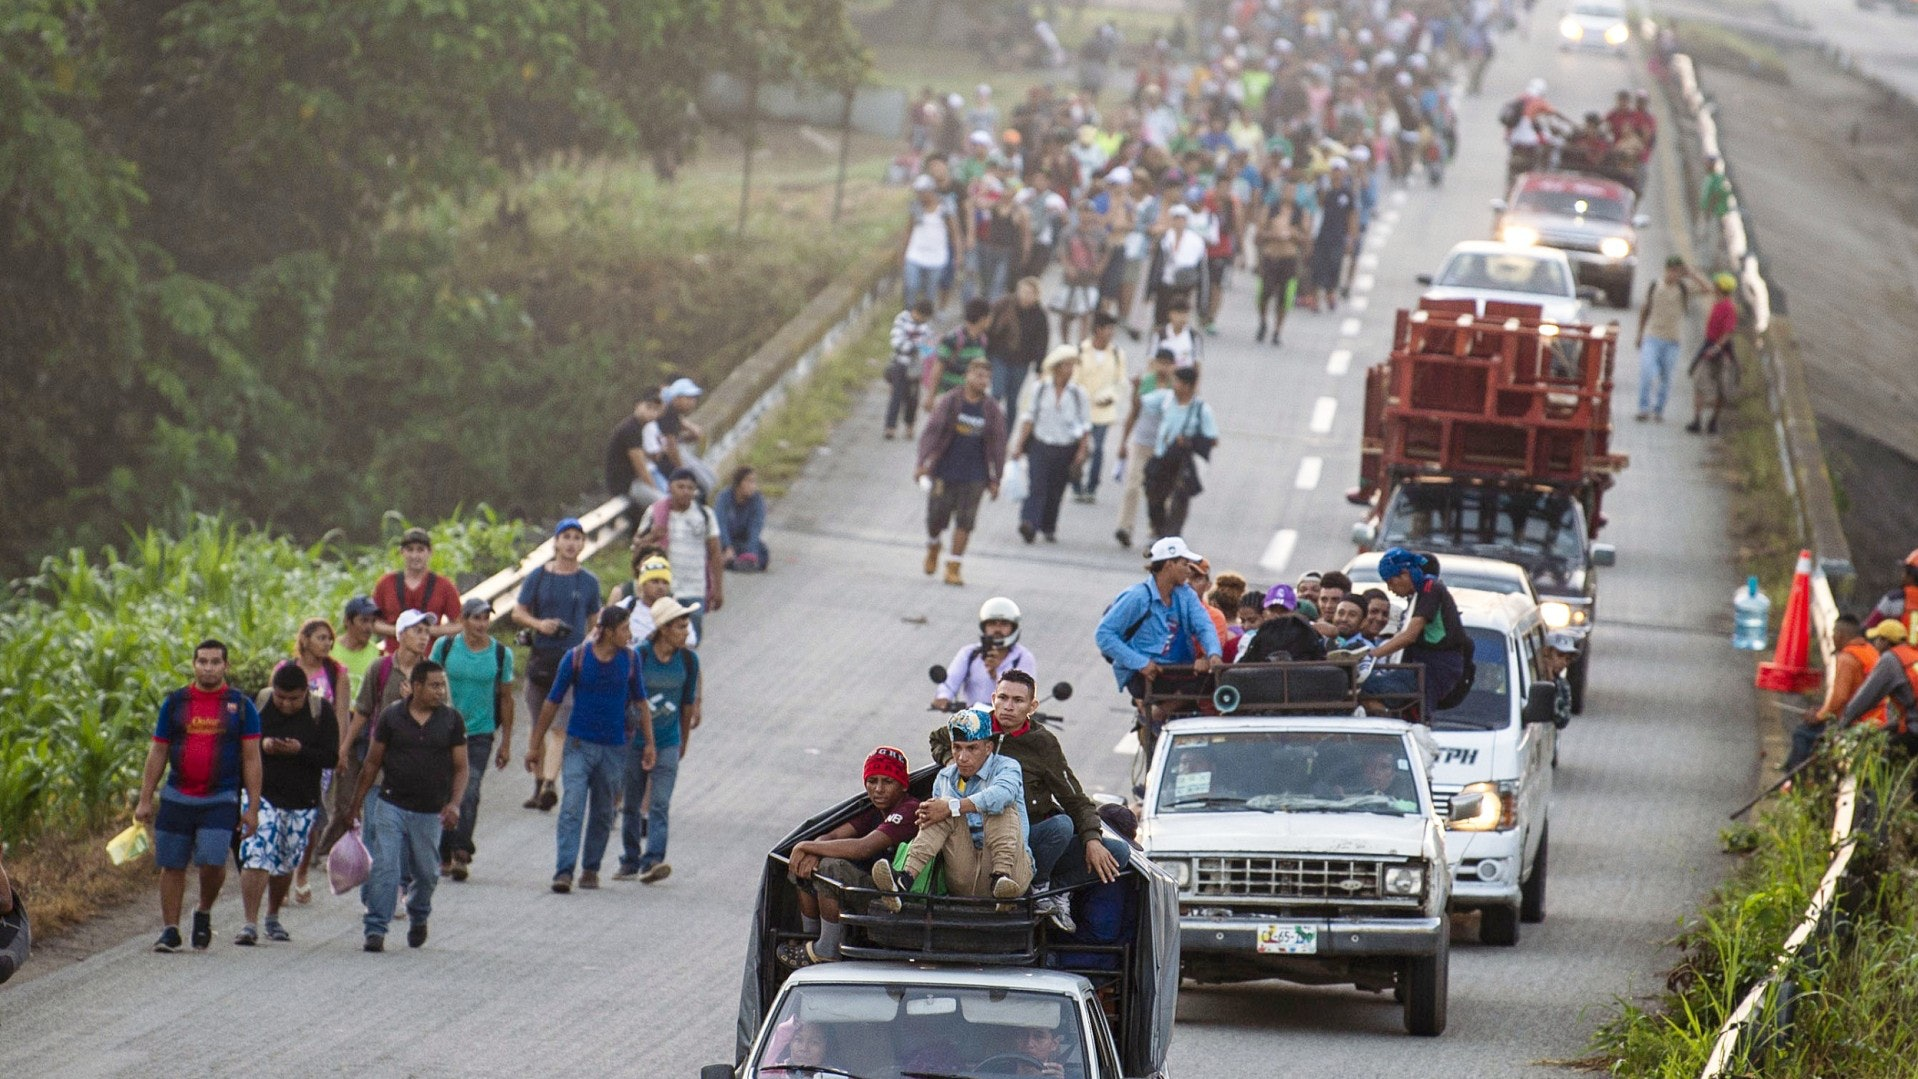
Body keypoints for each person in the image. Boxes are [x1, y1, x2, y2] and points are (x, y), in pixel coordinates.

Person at [931, 673, 1121, 934]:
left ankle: (1046, 889)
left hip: (1025, 840)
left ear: (1033, 706)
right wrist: (952, 762)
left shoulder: (1043, 744)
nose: (1009, 706)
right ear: (993, 699)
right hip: (972, 839)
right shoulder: (975, 724)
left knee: (1114, 852)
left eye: (1018, 700)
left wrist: (1092, 839)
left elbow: (1073, 797)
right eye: (1004, 698)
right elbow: (938, 739)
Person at [134, 640, 263, 953]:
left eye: (215, 662)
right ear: (193, 664)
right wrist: (145, 797)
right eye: (203, 661)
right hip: (177, 794)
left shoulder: (241, 706)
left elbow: (251, 758)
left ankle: (203, 909)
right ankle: (170, 930)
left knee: (212, 860)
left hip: (221, 798)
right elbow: (159, 750)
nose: (208, 667)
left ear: (225, 666)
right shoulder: (176, 703)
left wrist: (253, 808)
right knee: (172, 864)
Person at [342, 661, 465, 952]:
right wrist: (355, 805)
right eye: (434, 685)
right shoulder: (391, 717)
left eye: (442, 685)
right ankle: (375, 929)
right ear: (417, 686)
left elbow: (461, 768)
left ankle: (419, 914)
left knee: (426, 872)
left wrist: (455, 804)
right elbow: (372, 763)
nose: (441, 691)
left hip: (429, 811)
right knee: (386, 866)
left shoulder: (451, 721)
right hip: (391, 803)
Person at [529, 605, 652, 893]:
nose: (629, 635)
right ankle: (564, 870)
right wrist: (535, 744)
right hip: (578, 744)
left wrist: (649, 744)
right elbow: (552, 701)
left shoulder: (630, 661)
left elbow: (641, 703)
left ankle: (591, 867)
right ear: (608, 631)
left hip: (614, 748)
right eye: (624, 629)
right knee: (571, 805)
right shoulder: (577, 658)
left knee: (602, 811)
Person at [873, 706, 1033, 909]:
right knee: (937, 809)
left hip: (1012, 874)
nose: (962, 757)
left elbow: (1002, 794)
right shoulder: (945, 777)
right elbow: (937, 817)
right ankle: (904, 880)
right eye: (957, 748)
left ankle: (1000, 878)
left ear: (988, 748)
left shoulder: (1007, 767)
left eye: (971, 748)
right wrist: (942, 810)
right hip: (963, 872)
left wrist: (955, 807)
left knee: (998, 804)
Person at [777, 746, 922, 968]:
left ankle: (827, 949)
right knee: (803, 863)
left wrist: (805, 845)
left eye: (887, 782)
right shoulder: (873, 809)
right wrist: (812, 850)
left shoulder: (909, 809)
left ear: (903, 785)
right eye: (872, 782)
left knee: (831, 868)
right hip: (874, 889)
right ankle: (811, 938)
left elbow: (863, 847)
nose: (878, 789)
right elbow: (833, 835)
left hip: (897, 895)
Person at [314, 609, 432, 864]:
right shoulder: (380, 668)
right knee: (373, 826)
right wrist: (344, 747)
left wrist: (415, 700)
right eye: (417, 631)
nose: (424, 637)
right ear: (400, 635)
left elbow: (443, 717)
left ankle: (398, 880)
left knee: (408, 829)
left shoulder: (432, 674)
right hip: (379, 761)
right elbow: (363, 711)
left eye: (426, 631)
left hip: (418, 763)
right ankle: (374, 885)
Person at [235, 664, 339, 945]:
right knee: (257, 853)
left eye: (293, 699)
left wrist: (299, 750)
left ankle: (272, 915)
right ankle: (249, 923)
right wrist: (264, 746)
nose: (285, 704)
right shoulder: (258, 704)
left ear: (306, 692)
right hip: (262, 796)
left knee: (285, 861)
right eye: (281, 697)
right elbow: (239, 745)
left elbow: (331, 757)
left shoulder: (321, 711)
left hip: (302, 799)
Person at [513, 518, 602, 811]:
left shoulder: (588, 582)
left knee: (561, 727)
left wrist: (588, 644)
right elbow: (518, 612)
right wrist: (541, 624)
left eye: (577, 538)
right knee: (538, 724)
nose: (571, 543)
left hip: (572, 662)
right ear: (556, 542)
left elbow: (595, 622)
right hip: (541, 658)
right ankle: (538, 783)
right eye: (567, 537)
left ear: (583, 544)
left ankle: (551, 782)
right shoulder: (538, 577)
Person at [429, 598, 515, 881]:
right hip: (444, 728)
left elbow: (506, 698)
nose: (481, 624)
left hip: (479, 732)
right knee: (442, 789)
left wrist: (506, 742)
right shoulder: (446, 647)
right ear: (463, 620)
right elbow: (429, 684)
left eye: (485, 618)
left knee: (470, 787)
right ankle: (443, 850)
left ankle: (461, 850)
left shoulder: (501, 654)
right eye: (475, 618)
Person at [617, 597, 699, 884]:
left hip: (668, 740)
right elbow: (624, 697)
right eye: (681, 627)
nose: (686, 632)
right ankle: (630, 858)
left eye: (687, 626)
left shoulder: (688, 660)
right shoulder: (639, 656)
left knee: (660, 803)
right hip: (634, 742)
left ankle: (653, 859)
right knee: (631, 803)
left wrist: (682, 741)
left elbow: (688, 703)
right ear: (663, 629)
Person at [1094, 536, 1223, 704]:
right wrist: (1140, 663)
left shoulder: (1186, 595)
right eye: (1184, 564)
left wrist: (1212, 654)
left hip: (1179, 669)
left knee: (1216, 682)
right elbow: (1104, 635)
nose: (1189, 571)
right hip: (1145, 674)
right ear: (1169, 565)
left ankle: (1162, 713)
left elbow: (1204, 626)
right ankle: (1157, 713)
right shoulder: (1137, 597)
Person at [917, 356, 1007, 587]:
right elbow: (932, 431)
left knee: (966, 521)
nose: (982, 380)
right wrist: (922, 462)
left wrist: (996, 477)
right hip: (944, 471)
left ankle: (954, 566)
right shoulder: (951, 401)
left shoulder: (991, 409)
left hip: (975, 475)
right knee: (935, 518)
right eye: (978, 374)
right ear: (967, 375)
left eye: (987, 376)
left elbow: (998, 444)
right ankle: (934, 545)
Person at [1362, 548, 1471, 721]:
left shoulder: (1430, 589)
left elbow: (1410, 635)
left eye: (1391, 582)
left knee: (1370, 686)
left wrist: (1370, 655)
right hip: (1423, 664)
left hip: (1436, 665)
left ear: (1405, 574)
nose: (1390, 589)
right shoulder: (1420, 593)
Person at [1012, 346, 1091, 545]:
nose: (1070, 370)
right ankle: (1029, 522)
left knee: (1056, 489)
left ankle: (1048, 525)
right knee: (1037, 485)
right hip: (1041, 444)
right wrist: (1019, 444)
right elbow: (1029, 417)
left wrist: (1082, 451)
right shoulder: (1040, 389)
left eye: (1072, 366)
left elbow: (1084, 425)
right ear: (1056, 368)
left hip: (1066, 447)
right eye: (1066, 365)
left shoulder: (1078, 394)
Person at [1144, 367, 1218, 541]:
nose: (1173, 385)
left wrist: (1189, 441)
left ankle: (1171, 537)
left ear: (1187, 386)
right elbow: (1143, 402)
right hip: (1163, 456)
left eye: (1176, 382)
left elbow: (1213, 439)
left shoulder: (1201, 409)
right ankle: (1159, 529)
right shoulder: (1167, 400)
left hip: (1184, 462)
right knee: (1154, 496)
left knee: (1180, 499)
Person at [1634, 257, 1712, 422]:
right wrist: (1640, 334)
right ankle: (1643, 408)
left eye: (1677, 272)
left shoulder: (1684, 289)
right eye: (1672, 270)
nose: (1673, 275)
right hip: (1653, 336)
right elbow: (1644, 310)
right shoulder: (1655, 286)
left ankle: (1659, 410)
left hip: (1673, 341)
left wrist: (1691, 274)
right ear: (1666, 269)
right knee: (1647, 372)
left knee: (1666, 378)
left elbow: (1707, 289)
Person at [1113, 348, 1176, 549]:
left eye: (1168, 363)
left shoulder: (1177, 386)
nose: (1164, 367)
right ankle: (1125, 526)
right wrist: (1123, 441)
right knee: (1133, 485)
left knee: (1161, 491)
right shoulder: (1145, 383)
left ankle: (1156, 530)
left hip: (1165, 447)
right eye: (1161, 362)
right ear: (1154, 363)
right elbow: (1134, 412)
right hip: (1142, 442)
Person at [932, 597, 1038, 710]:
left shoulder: (1023, 657)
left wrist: (996, 674)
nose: (998, 629)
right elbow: (950, 681)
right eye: (992, 624)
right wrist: (943, 697)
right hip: (972, 719)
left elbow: (1025, 692)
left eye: (1004, 624)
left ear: (1013, 628)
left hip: (1009, 720)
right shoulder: (969, 654)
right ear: (984, 627)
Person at [372, 528, 462, 651]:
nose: (415, 556)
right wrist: (400, 629)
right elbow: (372, 622)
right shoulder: (386, 583)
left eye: (420, 550)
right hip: (394, 659)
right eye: (410, 550)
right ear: (402, 552)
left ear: (430, 552)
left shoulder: (444, 585)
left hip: (430, 659)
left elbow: (460, 623)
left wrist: (431, 630)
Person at [1071, 313, 1128, 504]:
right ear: (1098, 330)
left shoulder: (1117, 354)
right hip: (1081, 409)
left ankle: (1092, 486)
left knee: (1099, 449)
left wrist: (1110, 397)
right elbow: (1074, 380)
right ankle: (1076, 484)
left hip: (1104, 411)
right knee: (1079, 448)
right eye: (1108, 329)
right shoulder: (1081, 351)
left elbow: (1120, 382)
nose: (1111, 333)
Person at [1840, 619, 1918, 751]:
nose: (1874, 644)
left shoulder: (1890, 660)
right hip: (1913, 724)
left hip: (1915, 732)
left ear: (1885, 642)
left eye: (1877, 639)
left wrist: (1842, 724)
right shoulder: (1912, 655)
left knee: (1879, 757)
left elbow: (1865, 698)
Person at [987, 277, 1049, 416]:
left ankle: (1007, 433)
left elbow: (1042, 343)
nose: (1026, 296)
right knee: (996, 393)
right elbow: (989, 328)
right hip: (999, 357)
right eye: (1024, 291)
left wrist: (1039, 367)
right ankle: (989, 424)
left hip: (1021, 362)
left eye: (1030, 293)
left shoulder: (1039, 315)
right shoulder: (1003, 305)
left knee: (1012, 399)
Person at [1686, 273, 1739, 434]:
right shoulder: (1719, 303)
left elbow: (1728, 331)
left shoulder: (1728, 307)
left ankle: (1712, 421)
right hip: (1709, 345)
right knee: (1699, 382)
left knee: (1720, 387)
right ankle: (1698, 420)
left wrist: (1716, 348)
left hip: (1719, 350)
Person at [614, 551, 700, 648]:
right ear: (643, 584)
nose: (660, 587)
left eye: (665, 582)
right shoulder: (625, 607)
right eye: (655, 581)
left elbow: (690, 642)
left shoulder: (677, 611)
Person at [1253, 184, 1304, 345]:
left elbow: (1305, 236)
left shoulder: (1299, 212)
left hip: (1288, 258)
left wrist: (1292, 234)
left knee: (1284, 297)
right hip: (1271, 256)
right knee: (1264, 293)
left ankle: (1277, 330)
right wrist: (1273, 234)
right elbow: (1259, 233)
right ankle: (1263, 321)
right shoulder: (1271, 209)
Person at [904, 173, 959, 311]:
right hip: (915, 254)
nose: (920, 195)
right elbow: (908, 230)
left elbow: (954, 232)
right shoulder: (916, 207)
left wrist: (959, 254)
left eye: (923, 192)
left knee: (930, 292)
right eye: (918, 192)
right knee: (911, 286)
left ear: (931, 191)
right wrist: (902, 252)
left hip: (937, 256)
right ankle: (909, 315)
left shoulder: (945, 207)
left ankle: (925, 319)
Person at [928, 298, 994, 410]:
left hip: (968, 400)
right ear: (983, 319)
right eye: (990, 317)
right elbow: (938, 368)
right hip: (947, 397)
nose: (991, 320)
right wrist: (931, 396)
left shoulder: (982, 340)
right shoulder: (952, 339)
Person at [604, 394, 668, 504]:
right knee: (663, 504)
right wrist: (654, 489)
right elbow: (641, 467)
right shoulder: (631, 429)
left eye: (656, 410)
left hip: (633, 481)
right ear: (637, 406)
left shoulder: (638, 427)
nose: (652, 413)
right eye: (648, 407)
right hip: (625, 484)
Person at [886, 299, 937, 440]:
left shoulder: (927, 327)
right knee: (896, 395)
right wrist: (915, 348)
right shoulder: (902, 319)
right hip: (900, 364)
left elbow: (929, 348)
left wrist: (918, 350)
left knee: (913, 399)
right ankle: (890, 426)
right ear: (915, 312)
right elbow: (896, 342)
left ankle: (910, 425)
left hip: (916, 368)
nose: (923, 321)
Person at [1238, 583, 1327, 662]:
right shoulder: (1256, 635)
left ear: (1294, 611)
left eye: (1283, 611)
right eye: (1273, 610)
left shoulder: (1307, 631)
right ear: (1265, 612)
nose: (1277, 615)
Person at [715, 466, 770, 573]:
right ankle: (731, 560)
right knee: (713, 549)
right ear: (738, 483)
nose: (753, 486)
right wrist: (727, 547)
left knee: (763, 552)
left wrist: (751, 552)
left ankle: (741, 561)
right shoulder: (724, 497)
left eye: (754, 482)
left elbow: (756, 528)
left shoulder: (757, 500)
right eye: (749, 481)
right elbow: (720, 523)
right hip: (725, 540)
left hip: (743, 541)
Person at [1865, 549, 1918, 640]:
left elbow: (1869, 625)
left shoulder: (1894, 598)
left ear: (1911, 576)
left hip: (1897, 653)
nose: (1902, 576)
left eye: (1905, 572)